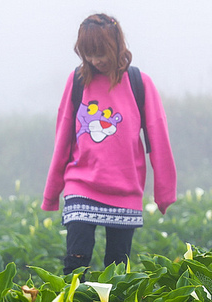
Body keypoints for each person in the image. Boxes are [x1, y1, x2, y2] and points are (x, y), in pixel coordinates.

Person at [42, 13, 177, 276]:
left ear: (116, 45)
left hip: (124, 190)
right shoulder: (78, 81)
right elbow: (63, 138)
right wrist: (52, 191)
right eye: (88, 54)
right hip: (80, 185)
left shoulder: (139, 83)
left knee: (117, 272)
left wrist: (164, 192)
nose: (95, 60)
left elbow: (158, 138)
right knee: (75, 265)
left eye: (100, 52)